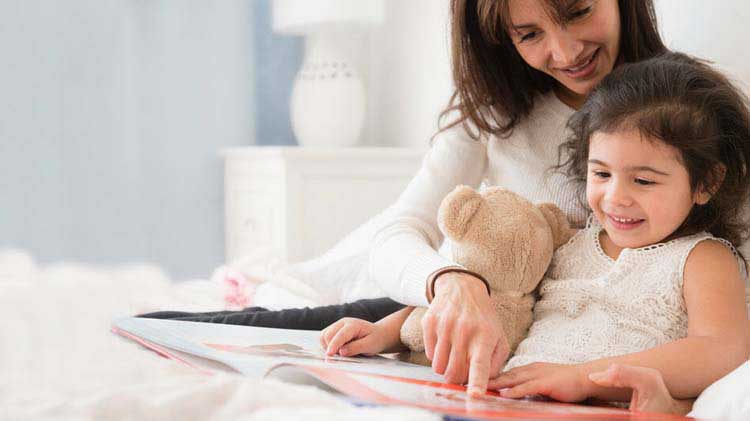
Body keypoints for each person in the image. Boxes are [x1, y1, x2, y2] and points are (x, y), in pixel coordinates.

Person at [142, 0, 687, 394]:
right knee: (204, 331)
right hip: (438, 300)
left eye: (578, 11)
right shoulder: (497, 111)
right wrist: (451, 284)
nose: (564, 51)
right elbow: (399, 229)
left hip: (540, 329)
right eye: (528, 35)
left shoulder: (685, 110)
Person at [320, 52, 750, 411]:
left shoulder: (701, 258)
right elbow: (499, 297)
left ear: (706, 183)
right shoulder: (566, 243)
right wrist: (387, 332)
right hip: (512, 401)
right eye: (601, 173)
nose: (615, 197)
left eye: (644, 181)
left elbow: (723, 348)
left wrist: (584, 379)